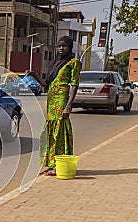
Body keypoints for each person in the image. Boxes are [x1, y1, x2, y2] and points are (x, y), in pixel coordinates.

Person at [30, 36, 82, 176]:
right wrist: (35, 76)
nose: (61, 48)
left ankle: (58, 165)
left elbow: (74, 85)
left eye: (64, 46)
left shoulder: (74, 62)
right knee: (50, 133)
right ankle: (50, 163)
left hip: (62, 99)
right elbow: (47, 85)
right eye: (59, 46)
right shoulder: (55, 63)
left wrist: (69, 105)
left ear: (69, 47)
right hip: (51, 100)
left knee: (60, 132)